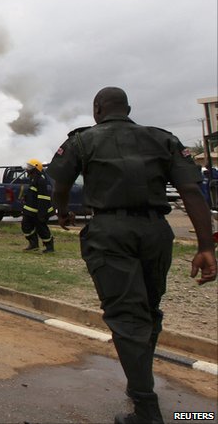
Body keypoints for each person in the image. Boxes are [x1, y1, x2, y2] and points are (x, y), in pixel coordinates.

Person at [47, 87, 216, 424]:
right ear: (128, 109)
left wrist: (62, 211)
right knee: (148, 310)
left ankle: (146, 409)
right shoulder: (162, 139)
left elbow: (60, 183)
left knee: (126, 316)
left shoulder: (82, 141)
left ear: (97, 109)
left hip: (109, 233)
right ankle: (141, 381)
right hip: (156, 232)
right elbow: (191, 192)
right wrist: (206, 246)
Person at [20, 159, 54, 252]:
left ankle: (49, 247)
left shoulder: (41, 181)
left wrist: (42, 214)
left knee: (42, 229)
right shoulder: (33, 179)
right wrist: (26, 197)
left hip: (38, 211)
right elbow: (33, 193)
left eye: (29, 167)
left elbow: (43, 198)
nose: (27, 169)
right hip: (30, 211)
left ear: (35, 169)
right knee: (25, 226)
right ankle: (33, 244)